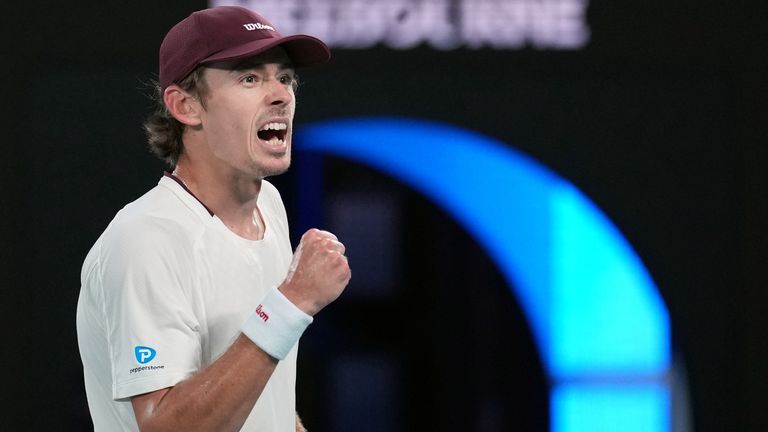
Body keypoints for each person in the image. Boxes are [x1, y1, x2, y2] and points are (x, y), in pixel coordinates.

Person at [76, 6, 351, 431]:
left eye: (284, 77)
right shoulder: (146, 240)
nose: (280, 94)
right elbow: (164, 426)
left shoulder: (269, 207)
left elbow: (260, 395)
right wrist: (292, 302)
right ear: (185, 105)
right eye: (249, 78)